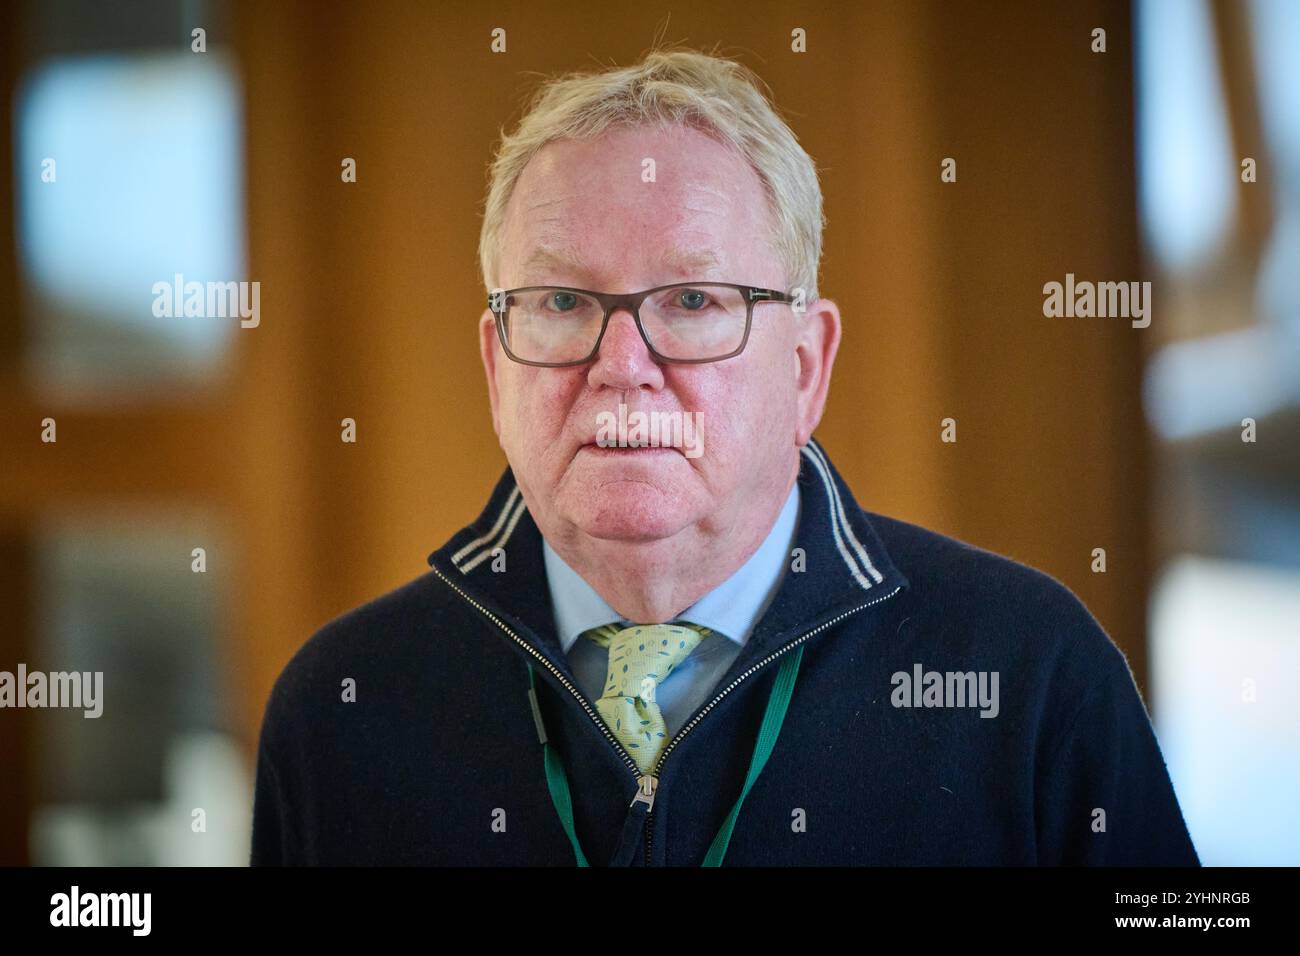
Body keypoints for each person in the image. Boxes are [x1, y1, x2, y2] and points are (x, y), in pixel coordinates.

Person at [250, 47, 1199, 866]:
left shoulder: (1031, 674)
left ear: (805, 364)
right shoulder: (344, 705)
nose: (622, 367)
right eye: (562, 302)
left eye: (695, 301)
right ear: (497, 367)